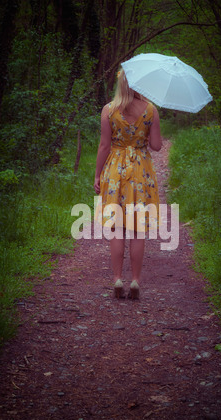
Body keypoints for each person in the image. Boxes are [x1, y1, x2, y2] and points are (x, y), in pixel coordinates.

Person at [94, 68, 162, 300]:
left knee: (116, 227)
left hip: (115, 171)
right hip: (141, 171)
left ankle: (117, 279)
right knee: (137, 229)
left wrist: (97, 176)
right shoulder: (151, 110)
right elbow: (156, 146)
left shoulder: (108, 110)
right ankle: (135, 280)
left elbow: (104, 146)